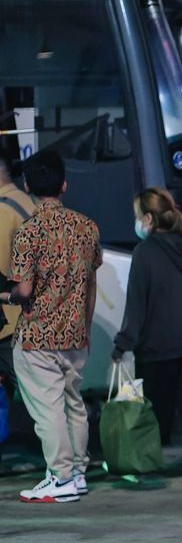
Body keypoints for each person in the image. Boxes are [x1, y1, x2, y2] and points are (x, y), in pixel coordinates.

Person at [112, 188, 182, 490]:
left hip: (159, 345)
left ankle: (141, 465)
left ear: (148, 218)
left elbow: (138, 305)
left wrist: (123, 343)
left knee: (150, 410)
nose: (137, 222)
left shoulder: (145, 252)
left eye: (138, 216)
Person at [9, 152, 102, 504]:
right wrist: (86, 327)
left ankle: (59, 477)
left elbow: (25, 290)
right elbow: (91, 282)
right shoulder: (87, 227)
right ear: (64, 184)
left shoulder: (29, 231)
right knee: (73, 404)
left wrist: (8, 293)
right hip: (76, 334)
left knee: (48, 410)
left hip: (38, 337)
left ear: (28, 186)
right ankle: (77, 473)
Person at [0, 148, 36, 410]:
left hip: (9, 324)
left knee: (35, 401)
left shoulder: (3, 211)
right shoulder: (26, 201)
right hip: (32, 318)